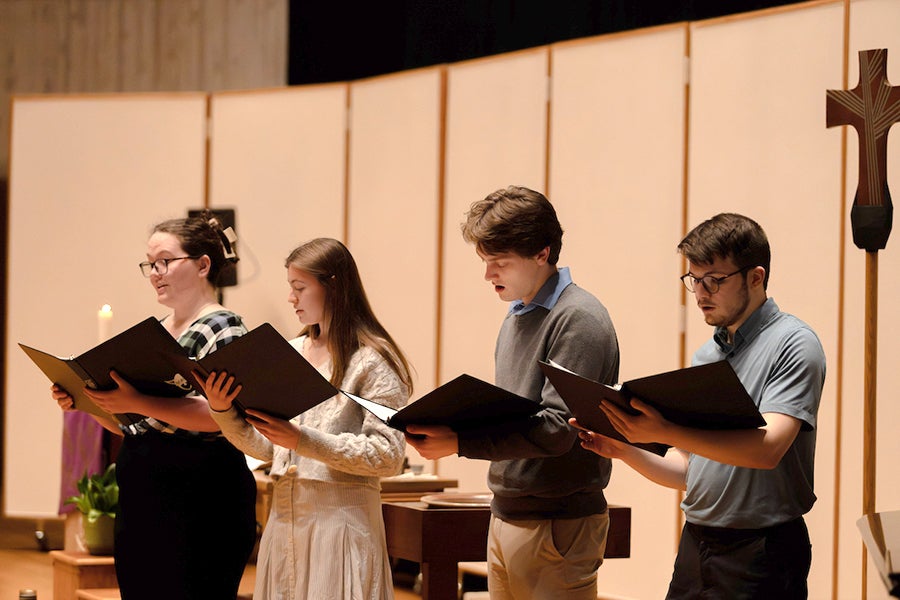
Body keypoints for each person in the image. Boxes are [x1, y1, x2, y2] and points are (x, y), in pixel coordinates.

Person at [574, 212, 826, 599]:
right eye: (694, 280)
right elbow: (689, 469)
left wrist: (665, 431)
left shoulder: (794, 344)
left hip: (762, 550)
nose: (701, 293)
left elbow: (769, 449)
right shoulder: (708, 356)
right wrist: (624, 449)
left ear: (756, 277)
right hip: (697, 543)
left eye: (714, 281)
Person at [405, 186, 620, 600]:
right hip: (507, 512)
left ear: (542, 253)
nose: (488, 275)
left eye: (499, 263)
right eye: (486, 262)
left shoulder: (578, 318)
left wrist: (459, 441)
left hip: (557, 522)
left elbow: (558, 429)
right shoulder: (518, 314)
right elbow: (515, 413)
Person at [52, 212, 258, 600]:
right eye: (150, 264)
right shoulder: (158, 331)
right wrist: (86, 403)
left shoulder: (223, 326)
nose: (155, 272)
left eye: (165, 261)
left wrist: (137, 400)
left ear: (202, 265)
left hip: (200, 495)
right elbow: (131, 424)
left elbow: (219, 418)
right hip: (146, 491)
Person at [199, 237, 413, 600]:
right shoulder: (292, 352)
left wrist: (302, 440)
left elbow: (388, 455)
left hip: (340, 522)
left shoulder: (373, 359)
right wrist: (223, 411)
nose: (291, 298)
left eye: (300, 287)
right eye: (290, 288)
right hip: (284, 520)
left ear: (333, 286)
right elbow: (269, 447)